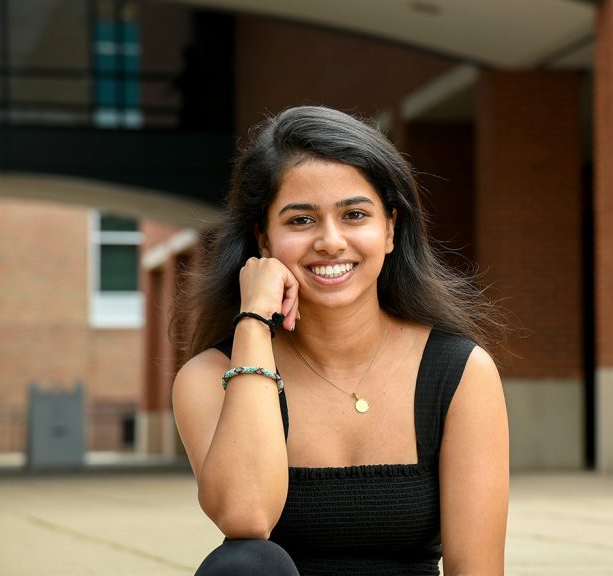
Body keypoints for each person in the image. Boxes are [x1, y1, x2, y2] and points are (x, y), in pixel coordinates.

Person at [171, 105, 510, 575]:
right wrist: (252, 321)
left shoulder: (458, 372)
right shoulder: (210, 376)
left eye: (354, 214)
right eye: (300, 220)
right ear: (263, 241)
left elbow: (476, 570)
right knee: (246, 563)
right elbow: (243, 514)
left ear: (391, 228)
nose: (331, 241)